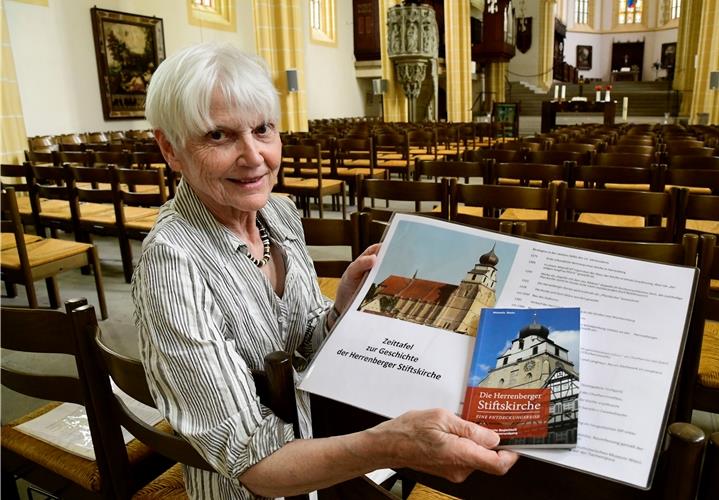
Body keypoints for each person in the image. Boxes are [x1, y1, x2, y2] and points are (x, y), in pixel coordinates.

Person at [134, 42, 518, 499]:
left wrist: (339, 307)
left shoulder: (278, 215)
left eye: (262, 129)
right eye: (219, 135)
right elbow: (252, 462)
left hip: (320, 444)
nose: (254, 156)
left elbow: (300, 344)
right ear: (171, 149)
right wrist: (391, 445)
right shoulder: (172, 265)